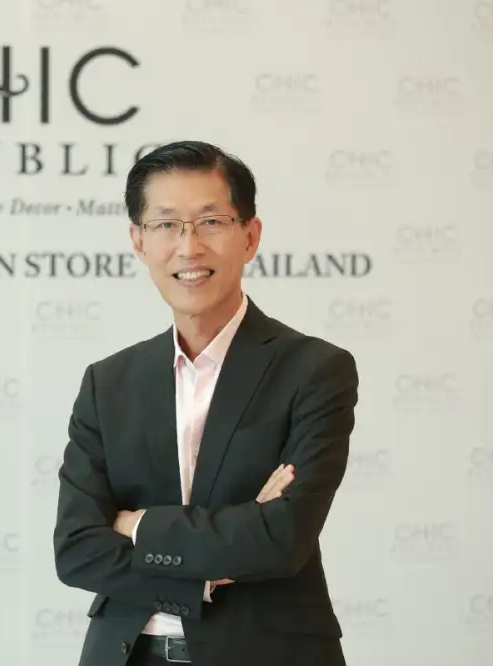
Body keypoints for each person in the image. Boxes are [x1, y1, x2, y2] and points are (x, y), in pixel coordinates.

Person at [52, 140, 359, 666]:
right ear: (138, 241)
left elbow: (281, 539)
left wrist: (137, 526)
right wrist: (207, 571)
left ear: (250, 236)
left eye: (211, 222)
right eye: (166, 224)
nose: (188, 247)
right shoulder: (109, 382)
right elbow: (77, 549)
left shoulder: (313, 370)